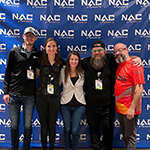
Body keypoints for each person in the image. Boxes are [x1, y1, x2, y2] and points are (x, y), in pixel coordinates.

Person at [3, 26, 42, 150]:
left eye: (32, 36)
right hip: (14, 94)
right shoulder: (14, 52)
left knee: (27, 125)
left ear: (35, 38)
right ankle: (15, 148)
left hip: (29, 95)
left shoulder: (38, 54)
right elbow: (8, 72)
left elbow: (37, 73)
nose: (29, 38)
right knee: (14, 125)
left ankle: (26, 148)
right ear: (23, 36)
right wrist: (6, 92)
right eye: (27, 35)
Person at [82, 41, 117, 150]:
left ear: (105, 51)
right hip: (91, 105)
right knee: (93, 129)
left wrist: (137, 59)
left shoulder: (112, 60)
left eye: (100, 50)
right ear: (91, 52)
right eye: (94, 51)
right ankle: (95, 148)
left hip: (108, 105)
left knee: (108, 129)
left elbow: (126, 59)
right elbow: (70, 62)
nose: (97, 53)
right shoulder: (86, 62)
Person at [113, 43, 145, 150]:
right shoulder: (119, 64)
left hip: (130, 109)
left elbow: (139, 89)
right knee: (126, 135)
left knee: (130, 136)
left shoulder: (135, 65)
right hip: (120, 108)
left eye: (120, 50)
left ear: (126, 50)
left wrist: (131, 108)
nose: (117, 53)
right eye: (115, 52)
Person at [36, 38, 64, 150]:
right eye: (49, 46)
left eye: (53, 46)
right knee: (44, 125)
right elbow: (36, 77)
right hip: (41, 96)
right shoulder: (40, 61)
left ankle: (52, 148)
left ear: (57, 48)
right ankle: (44, 148)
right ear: (45, 48)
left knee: (52, 125)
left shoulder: (61, 62)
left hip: (55, 97)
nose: (51, 48)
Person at [59, 51, 86, 150]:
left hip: (79, 105)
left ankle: (74, 148)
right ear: (68, 60)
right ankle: (67, 148)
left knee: (75, 130)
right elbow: (57, 84)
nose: (74, 61)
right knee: (67, 129)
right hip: (65, 104)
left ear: (79, 60)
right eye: (72, 59)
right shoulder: (62, 71)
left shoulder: (83, 71)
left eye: (76, 59)